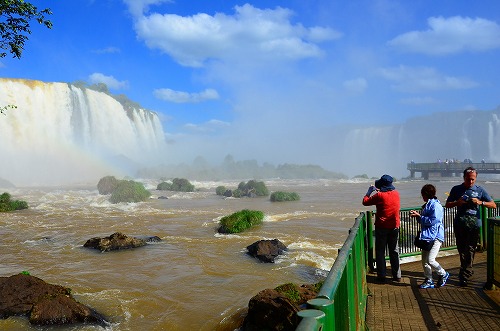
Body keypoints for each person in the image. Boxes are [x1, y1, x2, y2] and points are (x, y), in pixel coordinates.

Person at [445, 167, 496, 286]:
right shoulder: (456, 189)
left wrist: (480, 202)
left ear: (476, 178)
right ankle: (466, 270)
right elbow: (447, 204)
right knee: (462, 249)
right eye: (468, 179)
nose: (471, 182)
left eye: (473, 179)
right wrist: (457, 202)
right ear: (464, 178)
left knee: (470, 249)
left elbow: (493, 205)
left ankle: (464, 274)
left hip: (474, 225)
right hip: (459, 224)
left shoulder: (480, 190)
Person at [362, 174, 401, 283]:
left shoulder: (379, 195)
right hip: (394, 226)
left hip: (382, 227)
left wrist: (370, 191)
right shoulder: (396, 194)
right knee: (394, 251)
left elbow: (365, 201)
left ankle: (382, 275)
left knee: (380, 251)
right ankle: (397, 275)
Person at [410, 184, 449, 288]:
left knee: (431, 259)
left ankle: (443, 273)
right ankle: (429, 280)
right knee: (425, 261)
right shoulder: (428, 204)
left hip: (436, 236)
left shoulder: (435, 205)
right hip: (427, 236)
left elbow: (433, 221)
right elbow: (426, 220)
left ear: (425, 194)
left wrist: (420, 217)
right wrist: (417, 216)